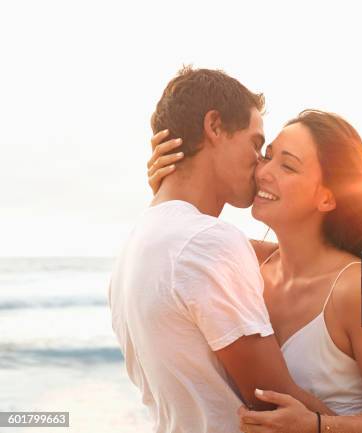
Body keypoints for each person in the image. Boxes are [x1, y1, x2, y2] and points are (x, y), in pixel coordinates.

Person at [148, 109, 362, 432]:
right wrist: (170, 189)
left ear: (327, 198)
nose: (263, 171)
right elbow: (184, 243)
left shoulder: (359, 290)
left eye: (287, 165)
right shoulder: (248, 264)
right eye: (267, 156)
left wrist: (318, 426)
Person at [109, 67, 331, 433]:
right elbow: (270, 400)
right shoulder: (206, 241)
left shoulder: (138, 243)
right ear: (214, 126)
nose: (260, 164)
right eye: (256, 144)